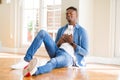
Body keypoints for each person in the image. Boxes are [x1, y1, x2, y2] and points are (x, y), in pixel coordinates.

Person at [12, 6, 89, 77]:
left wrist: (72, 43)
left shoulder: (82, 31)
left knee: (53, 61)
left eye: (71, 13)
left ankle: (35, 71)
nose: (68, 15)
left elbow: (85, 52)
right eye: (67, 14)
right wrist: (60, 42)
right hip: (57, 51)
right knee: (42, 32)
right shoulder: (61, 30)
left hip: (68, 56)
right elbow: (55, 45)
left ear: (76, 16)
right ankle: (26, 59)